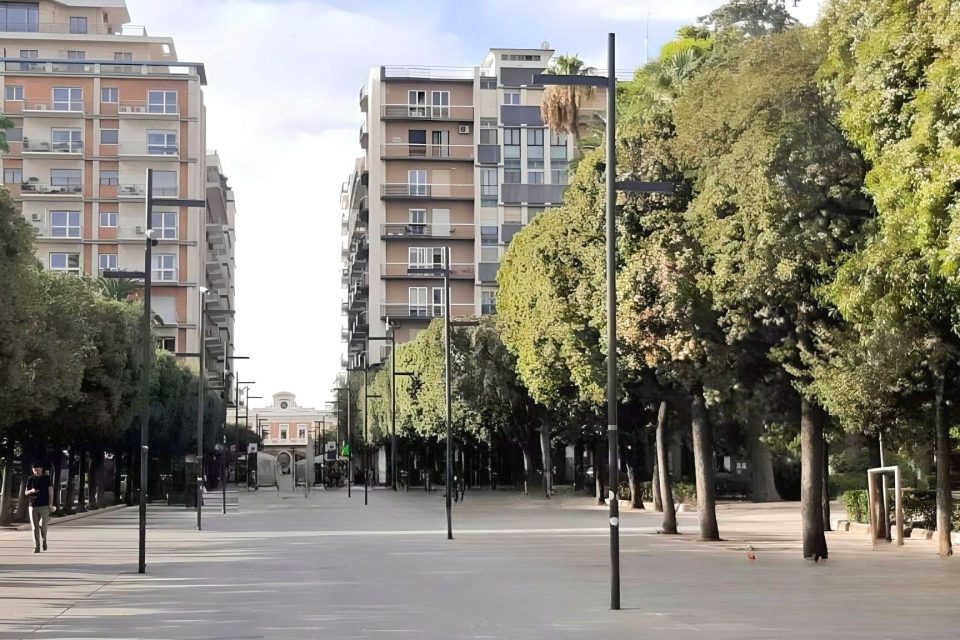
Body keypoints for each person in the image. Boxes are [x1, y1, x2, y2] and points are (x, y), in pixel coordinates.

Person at [25, 461, 54, 553]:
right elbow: (26, 492)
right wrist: (31, 491)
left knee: (43, 526)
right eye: (34, 470)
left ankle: (44, 540)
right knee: (35, 527)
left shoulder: (46, 479)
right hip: (32, 506)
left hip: (44, 506)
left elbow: (50, 492)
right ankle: (37, 546)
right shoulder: (30, 479)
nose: (36, 471)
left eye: (38, 469)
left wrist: (51, 504)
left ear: (42, 469)